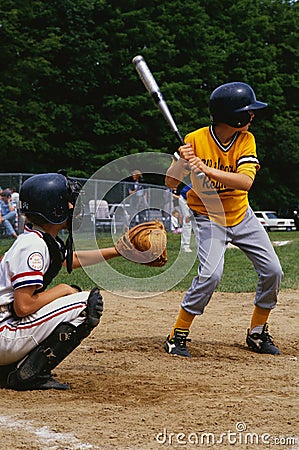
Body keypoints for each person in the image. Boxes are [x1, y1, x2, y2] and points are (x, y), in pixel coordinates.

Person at [164, 82, 283, 357]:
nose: (252, 116)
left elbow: (244, 182)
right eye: (248, 112)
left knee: (273, 271)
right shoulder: (194, 140)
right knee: (210, 275)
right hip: (208, 217)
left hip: (242, 215)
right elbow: (170, 181)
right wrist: (182, 163)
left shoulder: (246, 139)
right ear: (233, 116)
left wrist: (205, 168)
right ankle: (177, 334)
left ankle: (256, 332)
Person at [0, 172, 121, 391]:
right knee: (86, 303)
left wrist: (118, 251)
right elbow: (23, 306)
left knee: (76, 297)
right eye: (68, 202)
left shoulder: (39, 239)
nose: (74, 207)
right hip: (4, 332)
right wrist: (63, 289)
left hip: (5, 329)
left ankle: (8, 369)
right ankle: (28, 375)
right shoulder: (33, 247)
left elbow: (70, 260)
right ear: (53, 209)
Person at [178, 184, 193, 253]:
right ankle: (185, 246)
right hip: (184, 200)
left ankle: (201, 245)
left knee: (197, 223)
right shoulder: (199, 185)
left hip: (192, 201)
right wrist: (191, 216)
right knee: (188, 222)